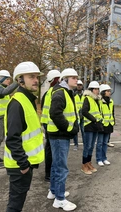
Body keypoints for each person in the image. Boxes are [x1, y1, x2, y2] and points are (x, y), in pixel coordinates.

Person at [4, 62, 45, 212]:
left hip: (24, 163)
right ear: (20, 80)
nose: (36, 80)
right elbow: (12, 138)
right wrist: (23, 164)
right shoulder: (17, 103)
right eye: (31, 77)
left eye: (37, 77)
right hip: (19, 166)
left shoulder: (28, 100)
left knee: (17, 202)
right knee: (15, 205)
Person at [47, 68, 79, 211]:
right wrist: (69, 128)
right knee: (61, 167)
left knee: (56, 165)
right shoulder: (61, 93)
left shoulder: (64, 91)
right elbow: (55, 113)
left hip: (58, 135)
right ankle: (60, 199)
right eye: (73, 77)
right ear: (65, 79)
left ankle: (54, 191)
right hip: (60, 135)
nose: (76, 80)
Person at [0, 70, 18, 169]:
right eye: (7, 79)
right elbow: (5, 92)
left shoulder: (1, 88)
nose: (9, 81)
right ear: (1, 79)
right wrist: (17, 83)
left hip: (2, 117)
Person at [40, 69, 61, 182]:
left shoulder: (48, 93)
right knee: (51, 150)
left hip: (47, 124)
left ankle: (48, 173)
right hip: (51, 125)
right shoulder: (54, 93)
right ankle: (49, 173)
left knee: (49, 149)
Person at [81, 81, 103, 175]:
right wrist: (94, 119)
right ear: (91, 90)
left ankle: (89, 163)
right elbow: (84, 111)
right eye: (95, 89)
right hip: (89, 125)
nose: (97, 91)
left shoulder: (97, 100)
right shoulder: (87, 98)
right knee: (87, 146)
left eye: (98, 89)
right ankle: (84, 165)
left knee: (91, 146)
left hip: (95, 125)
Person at [96, 84, 114, 166]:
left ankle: (104, 158)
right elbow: (98, 113)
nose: (109, 92)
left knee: (105, 143)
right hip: (102, 125)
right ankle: (99, 159)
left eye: (109, 91)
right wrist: (99, 122)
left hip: (109, 124)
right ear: (103, 92)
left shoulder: (111, 101)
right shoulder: (99, 101)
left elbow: (112, 113)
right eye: (108, 91)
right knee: (99, 143)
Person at [73, 79, 85, 150]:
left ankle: (84, 143)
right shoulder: (74, 94)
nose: (79, 86)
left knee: (84, 131)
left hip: (83, 116)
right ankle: (75, 144)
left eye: (80, 85)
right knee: (75, 131)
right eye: (78, 85)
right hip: (76, 115)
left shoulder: (85, 95)